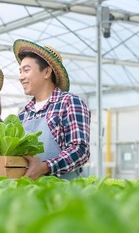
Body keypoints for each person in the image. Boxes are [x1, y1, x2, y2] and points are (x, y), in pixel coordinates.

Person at [13, 39, 91, 180]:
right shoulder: (22, 115)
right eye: (20, 71)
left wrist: (44, 168)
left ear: (47, 72)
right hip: (28, 194)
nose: (21, 77)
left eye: (26, 70)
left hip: (64, 194)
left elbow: (80, 149)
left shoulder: (69, 103)